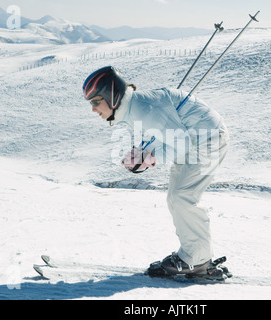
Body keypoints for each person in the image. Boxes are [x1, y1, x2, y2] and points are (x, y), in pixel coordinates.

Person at [83, 66, 229, 278]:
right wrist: (143, 152)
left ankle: (197, 261)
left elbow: (180, 143)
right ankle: (195, 257)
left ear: (111, 96)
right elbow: (164, 134)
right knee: (177, 197)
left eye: (96, 101)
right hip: (197, 139)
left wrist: (149, 158)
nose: (94, 109)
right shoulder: (135, 107)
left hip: (208, 140)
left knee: (183, 197)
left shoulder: (143, 109)